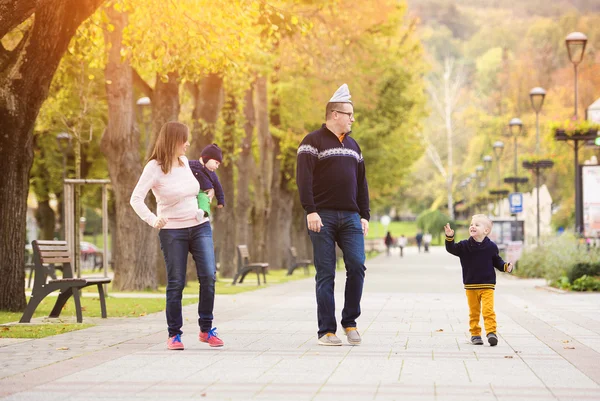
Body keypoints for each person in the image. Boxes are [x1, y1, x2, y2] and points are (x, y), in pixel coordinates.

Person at [130, 121, 224, 350]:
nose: (188, 144)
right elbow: (135, 199)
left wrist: (207, 199)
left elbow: (197, 190)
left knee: (209, 277)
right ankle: (174, 334)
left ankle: (206, 329)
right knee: (176, 282)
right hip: (172, 231)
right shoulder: (154, 167)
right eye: (184, 140)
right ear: (173, 141)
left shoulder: (184, 163)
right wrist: (153, 220)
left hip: (199, 225)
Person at [296, 83, 370, 346]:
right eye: (349, 114)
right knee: (326, 272)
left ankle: (350, 322)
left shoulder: (353, 146)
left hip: (351, 217)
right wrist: (311, 210)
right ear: (335, 114)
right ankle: (326, 331)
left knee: (357, 266)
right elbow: (303, 180)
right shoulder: (311, 142)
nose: (353, 119)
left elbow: (361, 183)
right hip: (322, 217)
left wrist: (365, 215)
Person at [444, 214, 513, 347]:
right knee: (474, 312)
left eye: (477, 225)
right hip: (471, 285)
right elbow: (451, 249)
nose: (472, 226)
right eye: (471, 224)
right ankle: (475, 334)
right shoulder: (464, 246)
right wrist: (449, 237)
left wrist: (506, 267)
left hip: (487, 285)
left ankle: (491, 332)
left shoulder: (491, 247)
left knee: (488, 310)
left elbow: (497, 261)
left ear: (486, 231)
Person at [189, 143, 225, 220]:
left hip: (203, 192)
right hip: (190, 190)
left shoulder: (213, 175)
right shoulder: (192, 164)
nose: (217, 166)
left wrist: (221, 201)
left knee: (205, 199)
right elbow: (183, 166)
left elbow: (218, 187)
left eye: (218, 164)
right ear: (206, 158)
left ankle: (203, 212)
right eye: (216, 163)